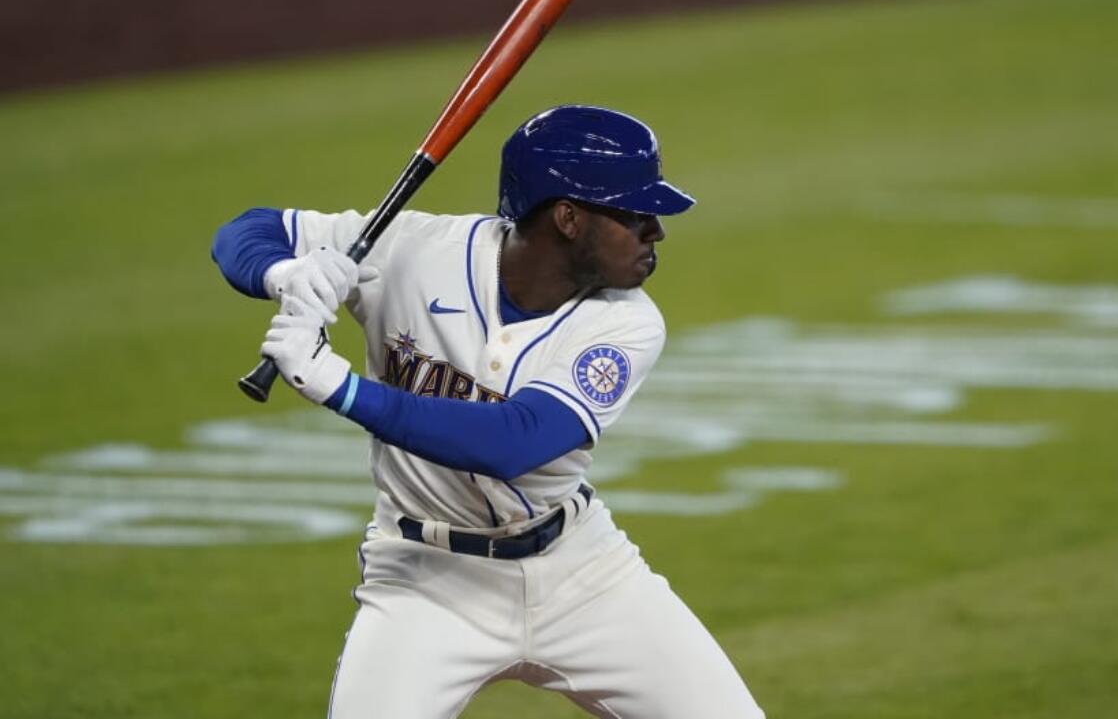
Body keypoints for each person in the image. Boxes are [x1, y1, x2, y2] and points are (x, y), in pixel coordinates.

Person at [211, 105, 764, 718]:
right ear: (568, 217)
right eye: (635, 214)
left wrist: (339, 387)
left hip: (581, 577)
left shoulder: (628, 321)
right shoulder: (414, 250)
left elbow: (515, 441)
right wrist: (287, 272)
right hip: (424, 581)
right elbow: (245, 230)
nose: (655, 230)